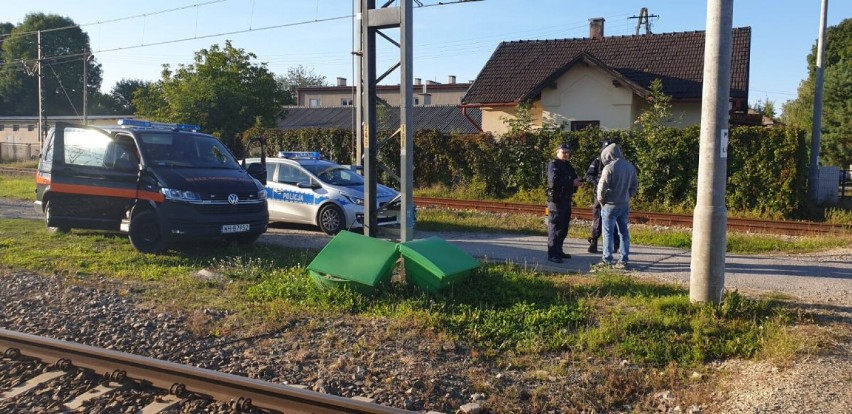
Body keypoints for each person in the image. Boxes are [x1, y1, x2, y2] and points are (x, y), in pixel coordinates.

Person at [595, 143, 638, 269]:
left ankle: (607, 259)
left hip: (610, 205)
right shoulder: (630, 167)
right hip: (624, 204)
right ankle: (623, 260)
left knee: (608, 233)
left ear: (608, 155)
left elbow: (601, 188)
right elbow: (634, 186)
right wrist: (627, 196)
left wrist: (602, 201)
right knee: (624, 232)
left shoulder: (609, 168)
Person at [546, 143, 582, 263]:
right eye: (563, 152)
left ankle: (559, 250)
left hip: (566, 199)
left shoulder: (568, 165)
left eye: (568, 152)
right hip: (557, 200)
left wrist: (578, 182)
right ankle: (552, 253)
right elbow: (554, 181)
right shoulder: (553, 164)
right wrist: (571, 183)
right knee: (555, 227)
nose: (566, 154)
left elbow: (573, 178)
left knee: (563, 227)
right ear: (557, 153)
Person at [584, 139, 619, 254]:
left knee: (614, 219)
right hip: (599, 195)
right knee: (598, 219)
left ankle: (615, 244)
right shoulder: (598, 161)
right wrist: (598, 182)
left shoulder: (618, 163)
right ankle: (594, 242)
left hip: (614, 196)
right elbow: (589, 176)